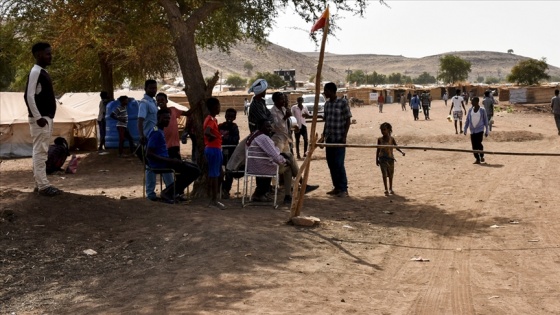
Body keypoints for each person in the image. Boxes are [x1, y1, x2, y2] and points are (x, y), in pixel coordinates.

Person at [24, 42, 62, 196]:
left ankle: (39, 183)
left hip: (46, 118)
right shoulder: (35, 72)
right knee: (40, 152)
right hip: (41, 119)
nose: (50, 56)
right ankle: (43, 186)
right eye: (47, 53)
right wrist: (38, 117)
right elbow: (28, 96)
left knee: (42, 151)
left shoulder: (42, 72)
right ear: (38, 54)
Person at [147, 108, 201, 203]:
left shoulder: (160, 130)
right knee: (194, 171)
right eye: (164, 118)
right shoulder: (156, 132)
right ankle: (169, 192)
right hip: (160, 164)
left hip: (165, 161)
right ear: (158, 118)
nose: (167, 120)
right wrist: (169, 160)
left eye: (168, 118)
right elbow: (149, 153)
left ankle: (172, 192)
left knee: (194, 167)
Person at [138, 79, 173, 201]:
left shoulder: (153, 102)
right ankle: (150, 194)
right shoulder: (144, 103)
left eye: (155, 88)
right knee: (150, 167)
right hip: (148, 137)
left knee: (163, 162)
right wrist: (141, 135)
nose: (153, 90)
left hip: (156, 135)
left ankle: (171, 190)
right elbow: (140, 120)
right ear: (145, 89)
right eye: (151, 88)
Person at [319, 82, 352, 198]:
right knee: (331, 164)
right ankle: (336, 187)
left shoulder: (342, 103)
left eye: (326, 91)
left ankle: (344, 188)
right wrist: (323, 136)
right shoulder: (327, 105)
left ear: (332, 91)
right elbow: (326, 122)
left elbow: (348, 120)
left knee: (339, 163)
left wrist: (344, 136)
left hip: (339, 138)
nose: (325, 93)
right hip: (329, 139)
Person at [203, 97, 226, 209]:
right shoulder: (211, 120)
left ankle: (214, 197)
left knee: (219, 174)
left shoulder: (212, 119)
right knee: (215, 175)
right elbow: (207, 132)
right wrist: (215, 137)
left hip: (216, 148)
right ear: (213, 107)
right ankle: (213, 200)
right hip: (213, 149)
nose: (219, 108)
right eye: (218, 106)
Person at [156, 92, 189, 160]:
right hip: (164, 144)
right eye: (158, 100)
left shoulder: (173, 110)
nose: (160, 102)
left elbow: (187, 113)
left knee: (177, 162)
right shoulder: (157, 114)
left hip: (175, 144)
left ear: (166, 101)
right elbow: (156, 127)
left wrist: (197, 105)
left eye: (162, 100)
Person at [375, 122, 405, 196]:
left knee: (391, 174)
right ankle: (386, 189)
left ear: (388, 130)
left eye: (384, 130)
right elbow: (378, 150)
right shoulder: (380, 140)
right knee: (384, 174)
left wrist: (401, 152)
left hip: (390, 159)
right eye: (382, 130)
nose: (383, 131)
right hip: (382, 159)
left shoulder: (391, 139)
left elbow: (396, 146)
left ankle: (391, 188)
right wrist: (376, 159)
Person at [219, 108, 240, 199]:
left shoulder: (234, 127)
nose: (229, 118)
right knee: (219, 171)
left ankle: (226, 190)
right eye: (228, 116)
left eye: (232, 116)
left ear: (234, 117)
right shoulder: (220, 126)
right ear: (225, 116)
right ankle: (220, 188)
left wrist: (224, 139)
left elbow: (235, 140)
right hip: (221, 152)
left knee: (229, 172)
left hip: (231, 153)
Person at [464, 97, 490, 164]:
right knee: (474, 145)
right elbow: (467, 120)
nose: (471, 102)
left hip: (480, 130)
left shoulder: (482, 110)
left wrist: (487, 131)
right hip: (472, 130)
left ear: (476, 101)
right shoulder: (470, 110)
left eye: (472, 101)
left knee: (479, 143)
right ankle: (477, 159)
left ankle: (481, 156)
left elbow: (486, 121)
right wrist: (465, 129)